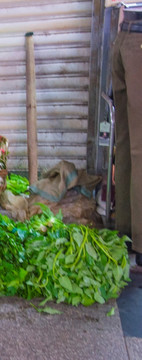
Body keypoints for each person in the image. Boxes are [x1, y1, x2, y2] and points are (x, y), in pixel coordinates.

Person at [111, 5, 142, 266]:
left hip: (125, 35)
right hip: (135, 40)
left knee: (128, 144)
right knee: (136, 147)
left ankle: (127, 231)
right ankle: (139, 241)